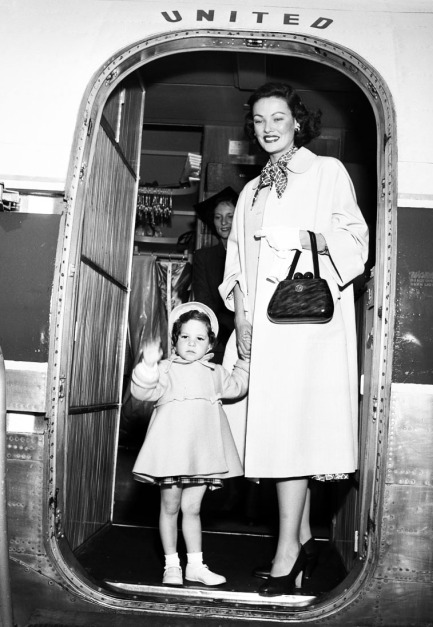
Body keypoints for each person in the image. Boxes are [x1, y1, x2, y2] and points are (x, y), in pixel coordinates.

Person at [219, 83, 369, 596]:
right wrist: (240, 318)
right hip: (260, 326)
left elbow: (357, 241)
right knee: (284, 432)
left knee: (290, 434)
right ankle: (302, 543)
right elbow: (236, 261)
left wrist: (309, 238)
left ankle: (287, 553)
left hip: (306, 330)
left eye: (278, 117)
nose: (268, 128)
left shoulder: (326, 172)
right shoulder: (252, 190)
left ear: (297, 122)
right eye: (259, 120)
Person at [131, 302, 249, 587]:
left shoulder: (215, 373)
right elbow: (141, 391)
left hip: (201, 457)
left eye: (199, 338)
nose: (192, 343)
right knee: (169, 508)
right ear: (175, 340)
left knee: (193, 509)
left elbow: (238, 385)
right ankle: (172, 565)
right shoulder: (165, 370)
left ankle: (195, 565)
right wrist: (147, 366)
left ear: (211, 343)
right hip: (171, 454)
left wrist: (246, 360)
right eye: (185, 337)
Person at [192, 187, 238, 364]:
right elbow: (204, 301)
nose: (224, 222)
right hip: (217, 339)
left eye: (230, 216)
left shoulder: (250, 255)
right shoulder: (203, 257)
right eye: (218, 217)